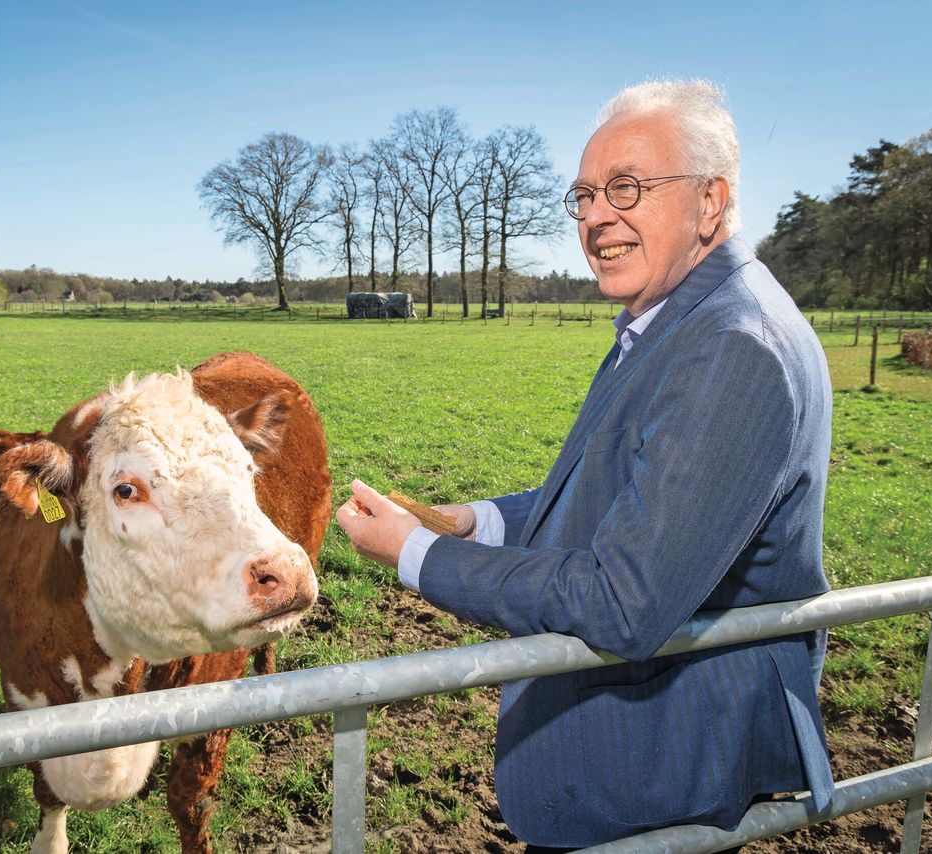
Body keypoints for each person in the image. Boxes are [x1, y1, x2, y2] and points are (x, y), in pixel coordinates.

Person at [337, 79, 835, 851]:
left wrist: (416, 553)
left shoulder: (734, 345)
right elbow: (632, 489)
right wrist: (482, 520)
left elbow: (623, 601)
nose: (598, 215)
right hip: (643, 762)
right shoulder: (675, 316)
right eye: (586, 194)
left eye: (627, 188)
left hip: (654, 771)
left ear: (710, 202)